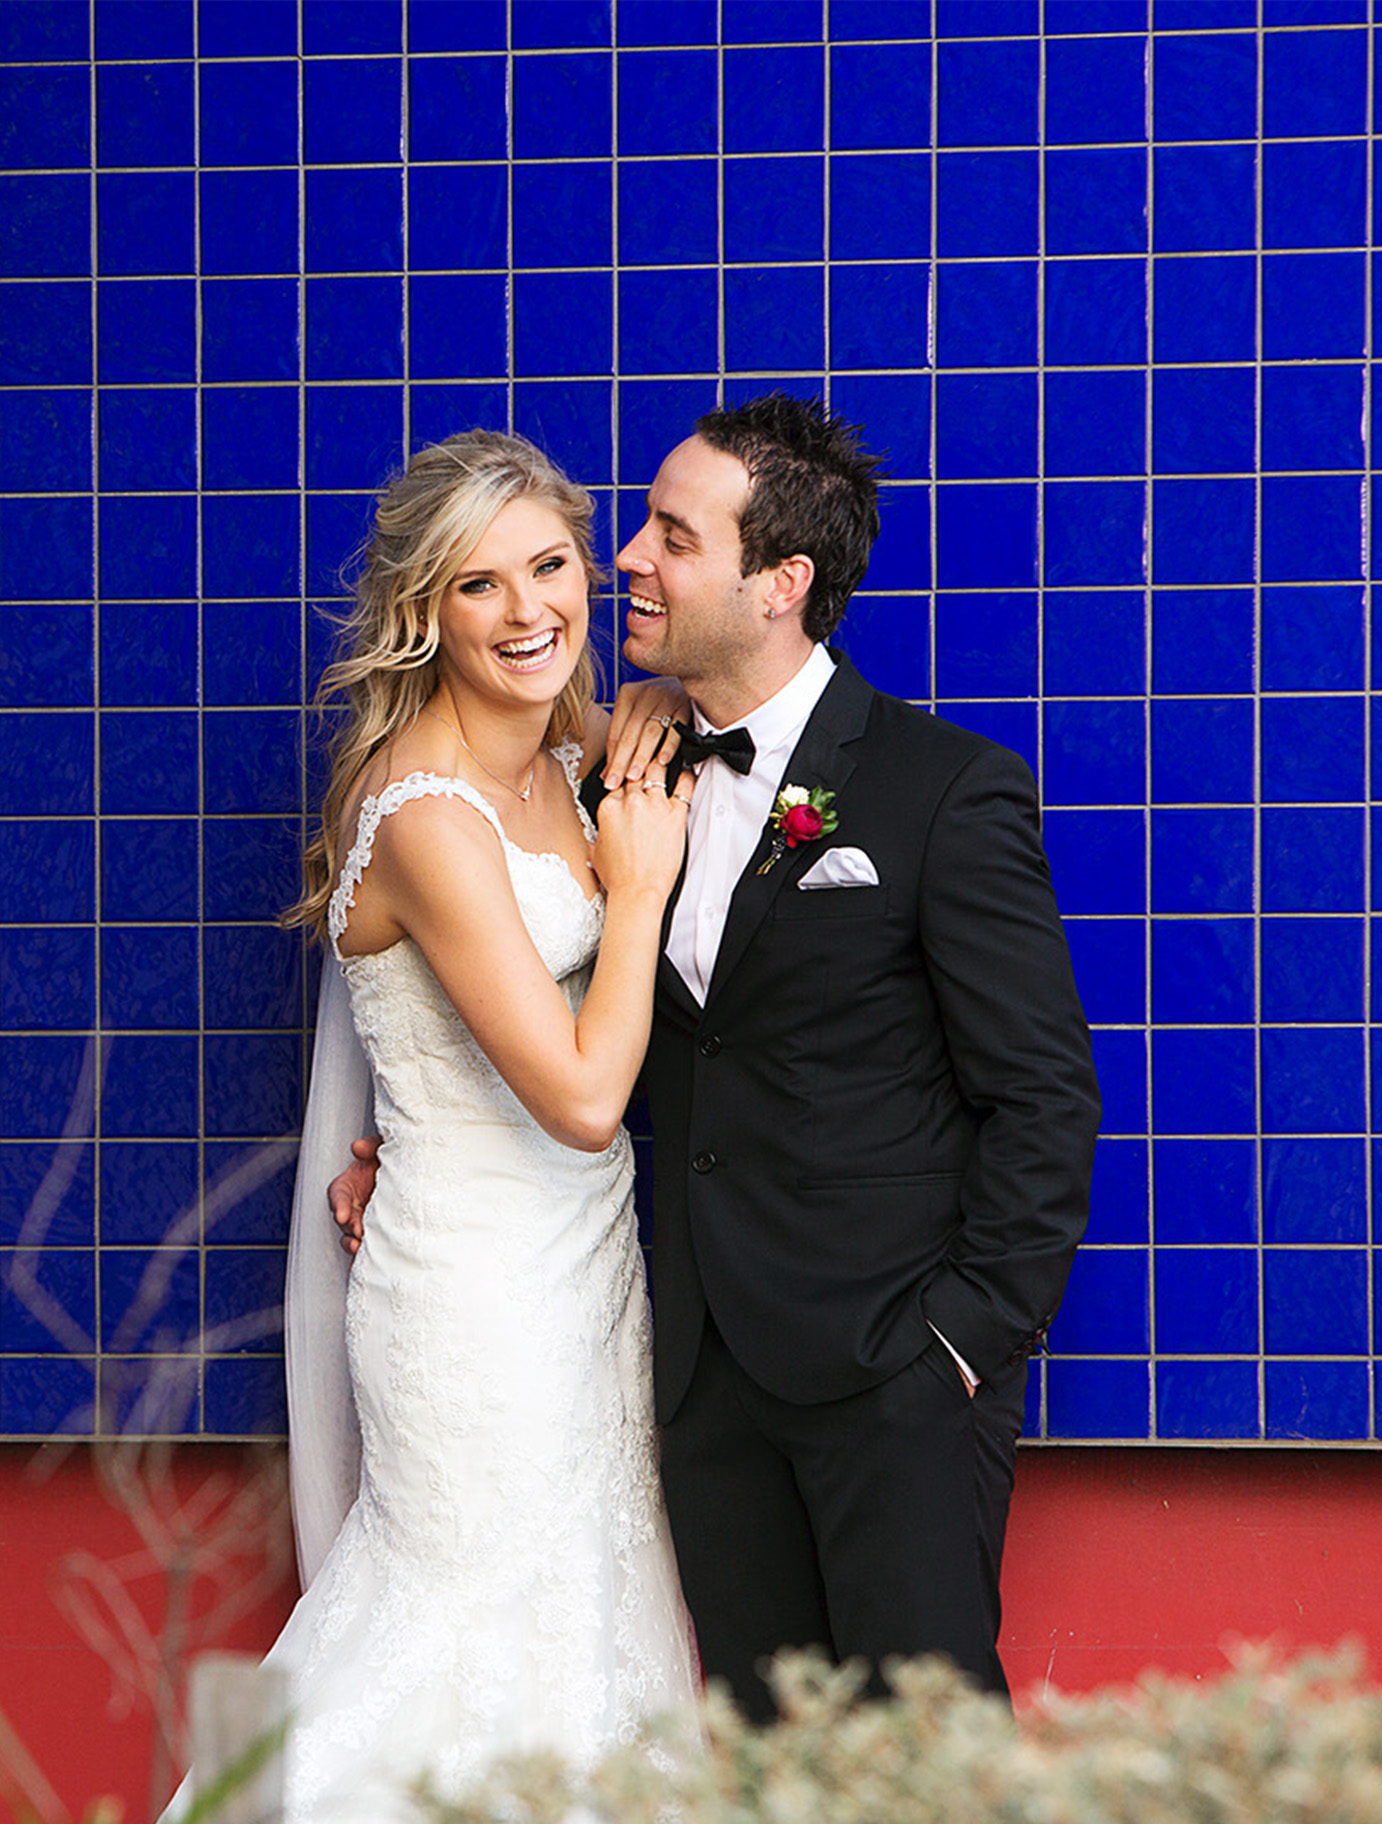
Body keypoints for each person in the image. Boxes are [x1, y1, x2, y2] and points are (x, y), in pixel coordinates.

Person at [337, 394, 1101, 1719]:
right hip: (687, 1370)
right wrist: (402, 1147)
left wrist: (962, 1346)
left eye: (671, 537)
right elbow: (485, 994)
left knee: (922, 1753)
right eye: (632, 527)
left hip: (890, 1376)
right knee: (749, 1742)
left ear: (777, 583)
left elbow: (1043, 1096)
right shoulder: (611, 763)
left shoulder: (943, 790)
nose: (627, 555)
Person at [263, 429, 700, 1822]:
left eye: (551, 567)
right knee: (464, 1637)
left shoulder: (572, 750)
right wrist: (635, 892)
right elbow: (578, 1101)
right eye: (479, 586)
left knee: (591, 1620)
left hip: (588, 1278)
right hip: (474, 1305)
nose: (529, 614)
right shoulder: (425, 815)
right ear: (422, 611)